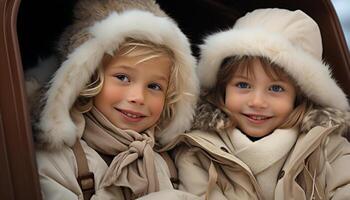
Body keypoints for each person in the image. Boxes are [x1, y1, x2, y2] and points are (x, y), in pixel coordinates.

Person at [168, 8, 350, 199]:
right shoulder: (198, 151)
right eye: (243, 85)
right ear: (223, 88)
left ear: (299, 97)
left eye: (276, 89)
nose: (257, 102)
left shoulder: (328, 151)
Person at [32, 0, 199, 199]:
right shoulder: (59, 160)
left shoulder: (168, 164)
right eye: (122, 78)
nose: (138, 98)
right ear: (88, 79)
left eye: (154, 86)